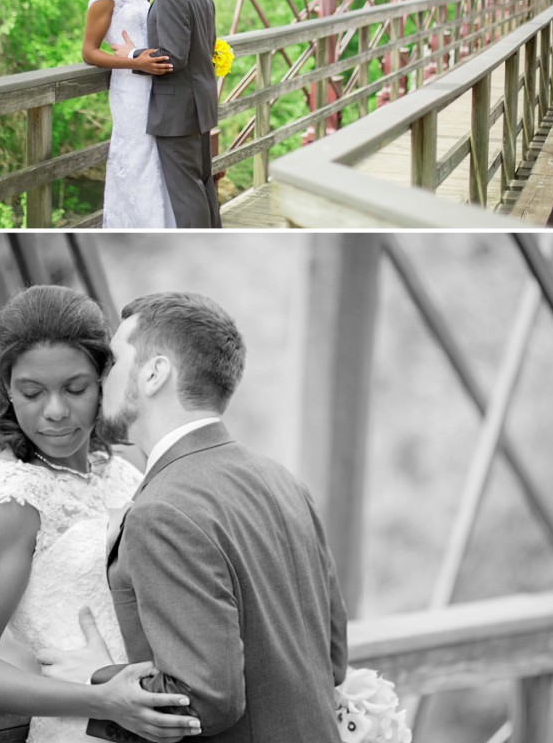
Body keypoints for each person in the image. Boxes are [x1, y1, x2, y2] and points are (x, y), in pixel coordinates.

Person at [46, 291, 348, 742]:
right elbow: (334, 660)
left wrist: (96, 678)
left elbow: (205, 701)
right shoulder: (284, 481)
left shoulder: (160, 511)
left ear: (153, 374)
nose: (100, 379)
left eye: (112, 362)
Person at [0, 285, 202, 743]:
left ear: (104, 380)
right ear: (6, 388)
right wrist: (100, 698)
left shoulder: (122, 472)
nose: (56, 411)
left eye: (75, 388)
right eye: (32, 392)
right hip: (82, 729)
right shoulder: (11, 502)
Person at [112, 0, 221, 229]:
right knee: (203, 187)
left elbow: (173, 57)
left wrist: (133, 55)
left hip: (177, 112)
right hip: (199, 106)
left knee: (187, 196)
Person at [82, 0, 176, 229]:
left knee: (155, 160)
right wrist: (135, 63)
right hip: (130, 91)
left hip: (151, 83)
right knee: (136, 159)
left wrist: (144, 60)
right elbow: (89, 52)